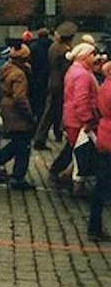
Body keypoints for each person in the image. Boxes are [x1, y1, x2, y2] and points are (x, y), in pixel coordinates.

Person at [48, 42, 100, 193]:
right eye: (92, 54)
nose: (94, 57)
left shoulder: (74, 70)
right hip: (78, 120)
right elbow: (81, 99)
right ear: (84, 56)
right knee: (79, 150)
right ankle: (70, 178)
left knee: (73, 148)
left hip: (72, 117)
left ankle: (63, 174)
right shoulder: (82, 75)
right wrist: (87, 119)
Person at [0, 40, 35, 190]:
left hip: (7, 108)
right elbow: (21, 97)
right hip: (17, 112)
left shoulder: (5, 69)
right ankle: (10, 171)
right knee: (22, 144)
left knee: (18, 142)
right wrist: (29, 114)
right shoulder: (19, 74)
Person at [34, 29, 72, 149]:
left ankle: (45, 136)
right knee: (51, 111)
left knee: (51, 110)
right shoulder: (64, 50)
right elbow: (66, 69)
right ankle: (41, 138)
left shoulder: (53, 46)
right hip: (59, 83)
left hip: (52, 81)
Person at [89, 59, 111, 241]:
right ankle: (95, 227)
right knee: (104, 184)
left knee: (101, 184)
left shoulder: (104, 86)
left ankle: (94, 226)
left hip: (104, 134)